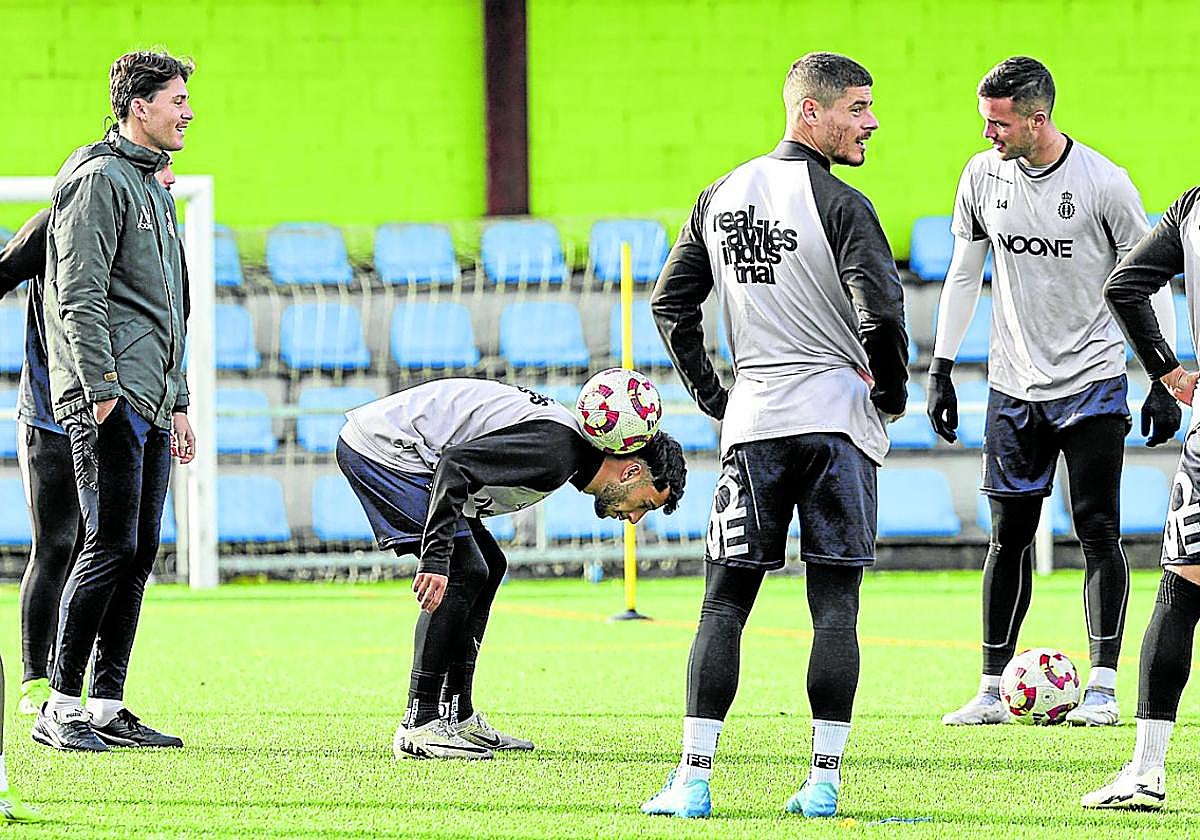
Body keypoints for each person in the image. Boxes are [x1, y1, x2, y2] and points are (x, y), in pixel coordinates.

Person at [641, 52, 908, 820]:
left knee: (723, 606)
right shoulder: (843, 204)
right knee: (835, 607)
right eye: (857, 107)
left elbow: (671, 307)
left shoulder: (718, 195)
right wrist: (887, 394)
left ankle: (692, 781)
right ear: (810, 113)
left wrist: (716, 399)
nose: (871, 121)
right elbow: (882, 315)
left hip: (754, 425)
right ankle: (824, 782)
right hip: (837, 425)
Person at [930, 56, 1180, 728]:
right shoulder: (982, 176)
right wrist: (941, 365)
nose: (987, 133)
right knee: (1007, 536)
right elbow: (962, 274)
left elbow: (1157, 278)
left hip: (1093, 379)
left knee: (1097, 528)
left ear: (1037, 120)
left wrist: (1164, 375)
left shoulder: (1104, 183)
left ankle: (1100, 688)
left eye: (998, 122)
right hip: (1013, 386)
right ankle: (989, 689)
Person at [336, 377, 687, 760]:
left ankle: (458, 716)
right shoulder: (558, 452)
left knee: (489, 564)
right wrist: (436, 560)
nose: (635, 518)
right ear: (632, 472)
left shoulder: (564, 454)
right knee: (465, 568)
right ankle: (418, 725)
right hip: (385, 449)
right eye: (645, 505)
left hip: (416, 457)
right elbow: (455, 467)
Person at [33, 50, 195, 752]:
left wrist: (180, 399)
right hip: (111, 397)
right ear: (139, 107)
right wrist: (99, 391)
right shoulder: (98, 180)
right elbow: (80, 293)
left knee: (139, 550)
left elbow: (168, 306)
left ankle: (105, 704)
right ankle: (58, 706)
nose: (188, 111)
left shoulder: (154, 187)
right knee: (106, 545)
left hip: (155, 398)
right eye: (177, 99)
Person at [0, 163, 180, 719]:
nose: (168, 177)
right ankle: (38, 682)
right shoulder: (57, 222)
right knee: (59, 542)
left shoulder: (146, 223)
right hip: (52, 408)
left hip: (112, 401)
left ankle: (97, 696)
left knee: (111, 545)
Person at [1081, 188, 1200, 809]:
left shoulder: (1192, 208)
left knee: (1181, 594)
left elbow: (1124, 286)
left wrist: (1167, 369)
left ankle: (1148, 772)